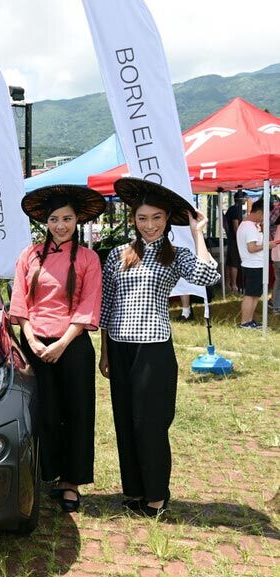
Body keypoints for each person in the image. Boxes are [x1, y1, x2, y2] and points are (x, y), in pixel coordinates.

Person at [100, 177, 220, 517]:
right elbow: (107, 306)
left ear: (167, 220)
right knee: (125, 421)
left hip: (154, 350)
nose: (149, 225)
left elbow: (207, 276)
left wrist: (198, 232)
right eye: (142, 218)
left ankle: (156, 495)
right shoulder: (117, 255)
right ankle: (135, 490)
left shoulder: (176, 255)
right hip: (120, 349)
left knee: (150, 422)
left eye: (156, 218)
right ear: (133, 220)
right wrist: (105, 353)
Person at [10, 184, 105, 513]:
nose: (60, 225)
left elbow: (90, 304)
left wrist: (63, 342)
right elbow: (20, 301)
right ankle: (45, 474)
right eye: (54, 219)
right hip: (34, 342)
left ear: (77, 220)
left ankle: (71, 482)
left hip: (73, 344)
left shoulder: (89, 258)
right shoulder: (30, 254)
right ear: (45, 221)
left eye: (67, 218)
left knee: (77, 412)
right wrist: (32, 339)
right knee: (42, 411)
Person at [236, 198, 280, 328]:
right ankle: (245, 322)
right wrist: (269, 245)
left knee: (255, 294)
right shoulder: (249, 227)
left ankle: (249, 320)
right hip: (253, 265)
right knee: (250, 295)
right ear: (260, 212)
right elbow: (252, 248)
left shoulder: (249, 225)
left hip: (255, 264)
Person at [223, 190, 245, 293]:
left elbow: (224, 223)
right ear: (241, 199)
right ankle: (234, 285)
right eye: (245, 197)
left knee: (229, 262)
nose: (246, 199)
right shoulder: (236, 210)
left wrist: (228, 234)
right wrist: (240, 238)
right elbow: (236, 226)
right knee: (234, 263)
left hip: (230, 238)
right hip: (235, 240)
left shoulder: (231, 209)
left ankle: (227, 284)